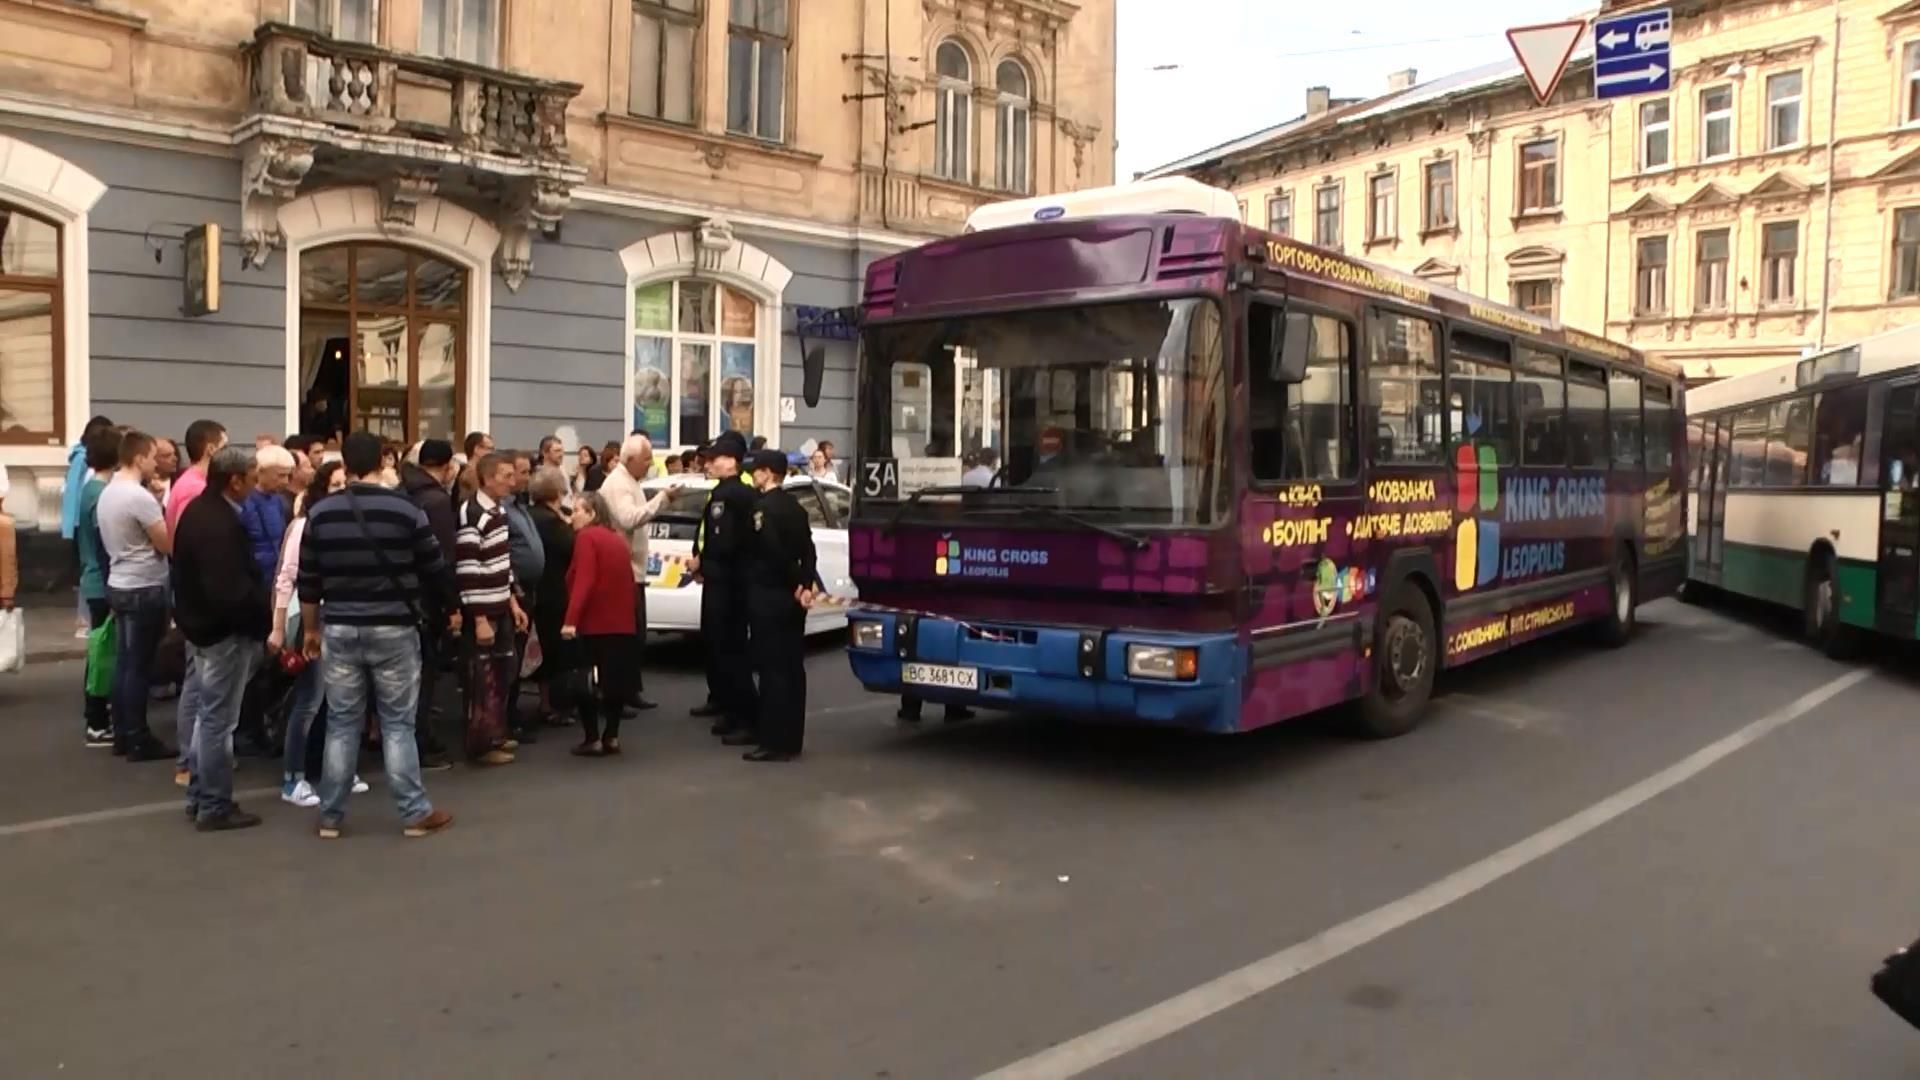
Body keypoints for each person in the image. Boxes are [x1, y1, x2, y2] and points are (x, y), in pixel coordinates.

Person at [298, 432, 457, 840]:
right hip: (394, 627)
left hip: (340, 627)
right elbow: (434, 566)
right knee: (398, 724)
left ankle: (330, 815)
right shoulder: (405, 509)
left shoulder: (321, 513)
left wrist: (312, 629)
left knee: (342, 722)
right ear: (383, 463)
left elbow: (309, 581)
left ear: (345, 465)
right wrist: (450, 607)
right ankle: (413, 812)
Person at [172, 446, 272, 831]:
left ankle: (201, 795)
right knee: (217, 721)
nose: (253, 482)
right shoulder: (219, 524)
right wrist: (263, 622)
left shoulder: (201, 512)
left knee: (208, 718)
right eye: (250, 475)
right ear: (235, 481)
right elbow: (230, 591)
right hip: (222, 634)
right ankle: (213, 802)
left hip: (204, 629)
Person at [271, 461, 359, 807]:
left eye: (344, 484)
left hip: (340, 614)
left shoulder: (348, 525)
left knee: (339, 699)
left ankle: (334, 771)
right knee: (310, 699)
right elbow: (285, 578)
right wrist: (278, 626)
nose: (341, 490)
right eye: (334, 485)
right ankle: (293, 778)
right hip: (311, 615)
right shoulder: (304, 525)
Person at [97, 431, 176, 762]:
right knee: (140, 665)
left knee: (126, 662)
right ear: (139, 458)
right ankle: (138, 737)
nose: (156, 463)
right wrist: (159, 505)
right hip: (144, 584)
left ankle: (123, 733)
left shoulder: (108, 492)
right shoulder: (139, 498)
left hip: (120, 581)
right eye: (153, 456)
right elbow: (166, 543)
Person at [742, 448, 819, 762]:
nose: (753, 475)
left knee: (772, 669)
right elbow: (808, 549)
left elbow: (773, 553)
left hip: (770, 596)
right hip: (792, 598)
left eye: (756, 470)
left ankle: (773, 741)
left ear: (767, 473)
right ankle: (793, 738)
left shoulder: (763, 509)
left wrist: (792, 583)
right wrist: (804, 583)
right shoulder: (796, 507)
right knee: (792, 666)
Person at [455, 452, 529, 765]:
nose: (512, 482)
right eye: (506, 475)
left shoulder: (499, 511)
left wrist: (513, 601)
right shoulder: (473, 514)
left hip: (501, 604)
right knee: (482, 679)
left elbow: (502, 561)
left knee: (503, 672)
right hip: (483, 610)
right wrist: (480, 618)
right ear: (487, 479)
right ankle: (480, 745)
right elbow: (468, 568)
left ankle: (496, 734)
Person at [599, 433, 678, 712]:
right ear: (630, 460)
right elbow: (628, 519)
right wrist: (661, 500)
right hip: (624, 572)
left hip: (634, 569)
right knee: (626, 636)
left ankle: (630, 689)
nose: (649, 464)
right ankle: (621, 694)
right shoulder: (619, 484)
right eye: (646, 459)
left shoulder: (631, 480)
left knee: (636, 635)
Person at [690, 431, 759, 742]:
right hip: (726, 580)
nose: (710, 463)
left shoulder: (732, 495)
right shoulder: (725, 492)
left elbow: (724, 541)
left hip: (729, 583)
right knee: (723, 649)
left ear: (732, 461)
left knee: (732, 651)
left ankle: (745, 717)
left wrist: (702, 562)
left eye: (715, 458)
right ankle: (732, 711)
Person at [560, 491, 639, 757]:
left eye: (577, 511)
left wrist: (571, 620)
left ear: (592, 513)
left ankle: (592, 737)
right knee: (613, 681)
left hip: (594, 621)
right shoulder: (616, 540)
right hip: (621, 621)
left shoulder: (586, 538)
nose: (572, 518)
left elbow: (585, 579)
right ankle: (612, 736)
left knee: (585, 681)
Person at [397, 439, 459, 770]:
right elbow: (443, 558)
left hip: (404, 595)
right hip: (427, 602)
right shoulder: (436, 501)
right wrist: (452, 605)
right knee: (424, 676)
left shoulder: (403, 490)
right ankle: (421, 743)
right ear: (447, 467)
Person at [75, 426, 120, 747]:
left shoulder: (92, 488)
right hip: (101, 582)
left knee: (100, 651)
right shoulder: (100, 492)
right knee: (103, 653)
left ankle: (98, 715)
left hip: (93, 579)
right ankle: (97, 721)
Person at [528, 466, 577, 730]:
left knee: (541, 647)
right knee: (555, 649)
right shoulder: (554, 522)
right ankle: (554, 705)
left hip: (537, 589)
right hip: (555, 590)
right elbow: (572, 547)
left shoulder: (530, 515)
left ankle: (545, 700)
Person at [502, 449, 545, 743]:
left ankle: (513, 713)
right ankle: (505, 717)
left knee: (518, 657)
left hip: (528, 590)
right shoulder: (502, 510)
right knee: (510, 657)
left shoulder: (520, 506)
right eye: (523, 472)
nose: (528, 478)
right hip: (512, 593)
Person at [240, 444, 295, 584]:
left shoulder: (280, 501)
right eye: (280, 475)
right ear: (261, 472)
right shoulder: (245, 501)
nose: (285, 482)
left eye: (288, 475)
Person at [165, 419, 227, 535]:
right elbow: (188, 535)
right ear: (211, 449)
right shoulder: (194, 487)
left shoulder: (193, 481)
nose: (229, 452)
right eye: (224, 447)